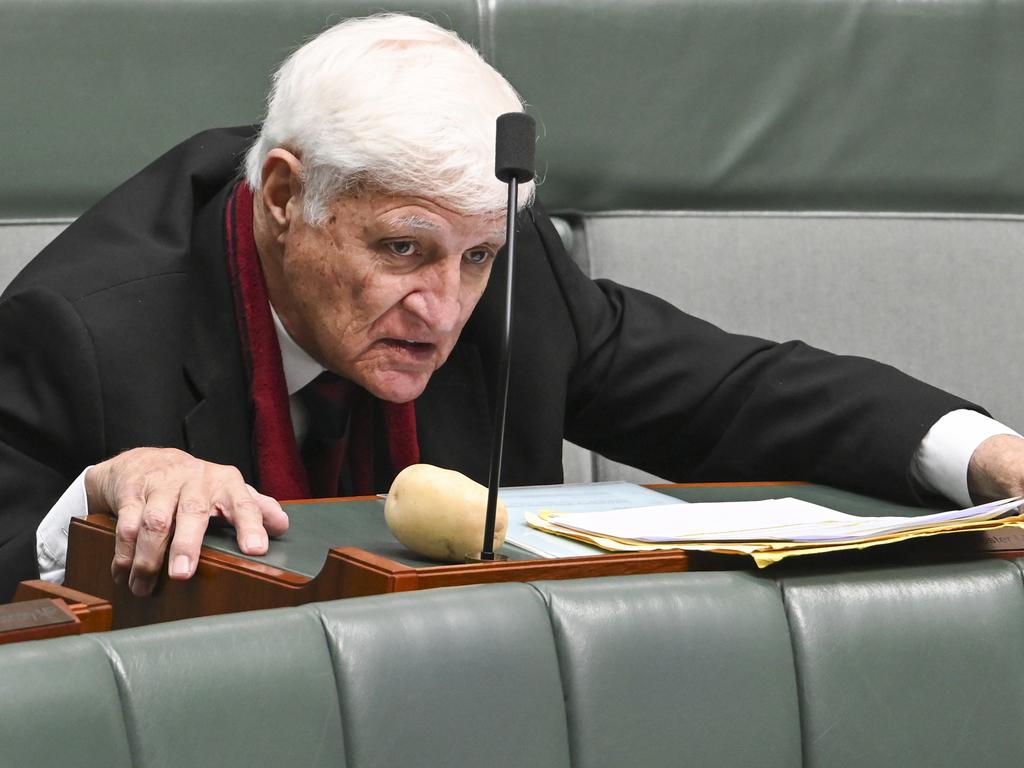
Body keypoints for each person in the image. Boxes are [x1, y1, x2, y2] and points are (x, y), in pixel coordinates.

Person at [1, 14, 1022, 602]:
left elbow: (733, 393)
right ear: (282, 200)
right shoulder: (84, 327)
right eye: (402, 249)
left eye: (478, 256)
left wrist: (981, 455)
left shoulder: (501, 276)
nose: (444, 310)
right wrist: (93, 500)